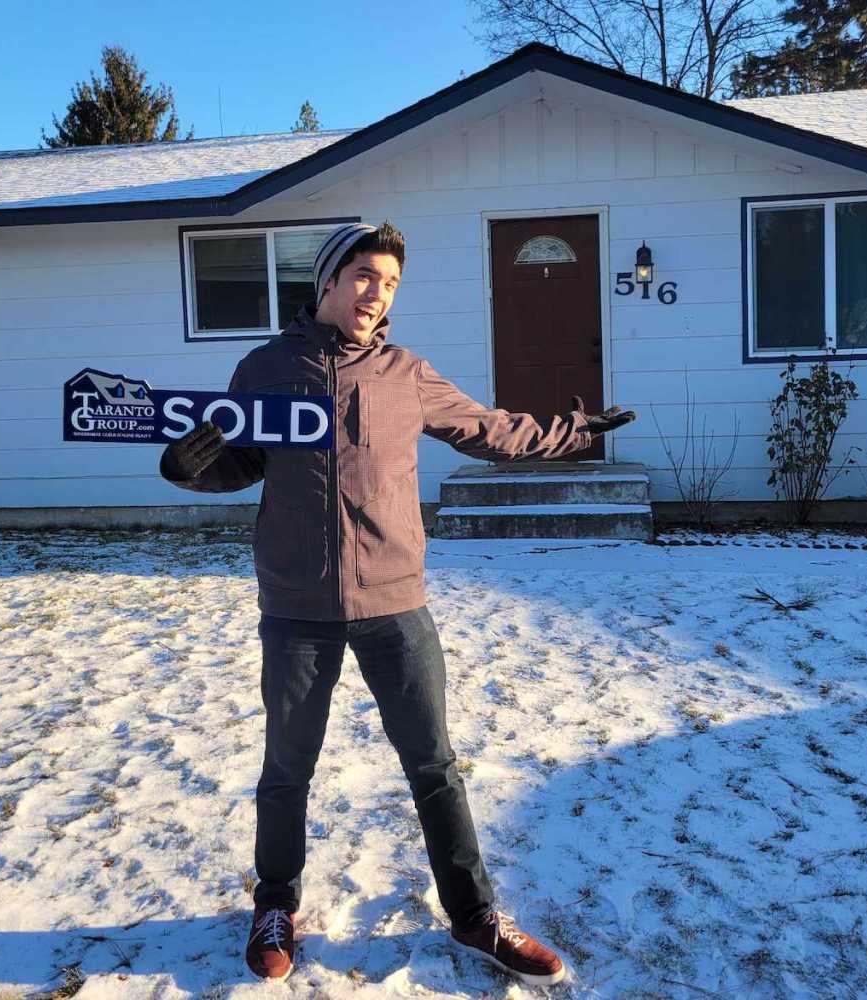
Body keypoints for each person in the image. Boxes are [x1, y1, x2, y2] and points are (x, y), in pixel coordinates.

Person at [160, 220, 636, 986]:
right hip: (297, 603)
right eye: (363, 277)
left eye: (389, 284)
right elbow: (237, 461)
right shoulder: (264, 368)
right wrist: (187, 468)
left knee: (435, 766)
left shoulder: (403, 373)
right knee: (287, 767)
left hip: (394, 600)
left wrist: (573, 430)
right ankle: (275, 904)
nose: (375, 294)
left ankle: (475, 915)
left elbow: (490, 430)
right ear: (326, 281)